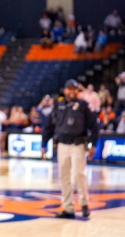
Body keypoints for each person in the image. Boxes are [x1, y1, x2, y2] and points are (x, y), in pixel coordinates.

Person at [41, 79, 98, 219]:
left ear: (77, 91)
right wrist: (43, 145)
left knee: (79, 174)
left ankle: (84, 204)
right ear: (65, 90)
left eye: (75, 89)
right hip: (61, 145)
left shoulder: (84, 105)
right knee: (64, 177)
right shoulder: (58, 105)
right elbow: (49, 126)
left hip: (78, 144)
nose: (72, 91)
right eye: (70, 89)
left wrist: (93, 145)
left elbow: (94, 126)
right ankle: (68, 208)